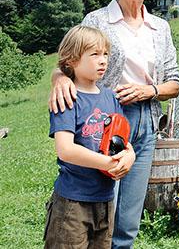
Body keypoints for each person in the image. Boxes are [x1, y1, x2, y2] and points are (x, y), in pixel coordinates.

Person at [49, 0, 179, 249]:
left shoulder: (160, 28)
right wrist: (59, 78)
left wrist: (150, 90)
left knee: (129, 219)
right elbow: (68, 60)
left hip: (146, 121)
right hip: (106, 119)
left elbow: (174, 83)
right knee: (103, 207)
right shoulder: (97, 20)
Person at [45, 25, 136, 249]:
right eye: (94, 54)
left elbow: (121, 140)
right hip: (73, 202)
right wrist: (108, 163)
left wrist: (130, 156)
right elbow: (65, 150)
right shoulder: (67, 98)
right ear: (71, 60)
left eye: (105, 54)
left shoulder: (111, 98)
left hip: (105, 200)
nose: (103, 61)